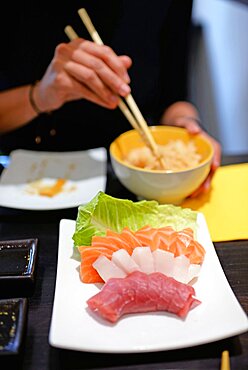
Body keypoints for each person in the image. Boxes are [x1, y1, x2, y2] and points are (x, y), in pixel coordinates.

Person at [0, 0, 221, 196]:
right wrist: (38, 96)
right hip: (21, 180)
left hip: (131, 182)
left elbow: (174, 99)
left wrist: (188, 126)